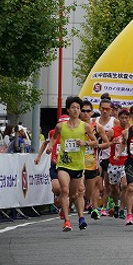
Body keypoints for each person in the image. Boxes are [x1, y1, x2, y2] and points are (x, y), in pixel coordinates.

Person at [46, 96, 97, 232]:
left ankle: (80, 217)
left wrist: (84, 142)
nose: (76, 110)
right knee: (64, 190)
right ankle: (67, 221)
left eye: (78, 108)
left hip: (78, 165)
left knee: (75, 194)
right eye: (73, 107)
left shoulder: (85, 126)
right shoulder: (60, 126)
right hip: (63, 163)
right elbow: (54, 138)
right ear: (68, 110)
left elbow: (95, 142)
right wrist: (50, 147)